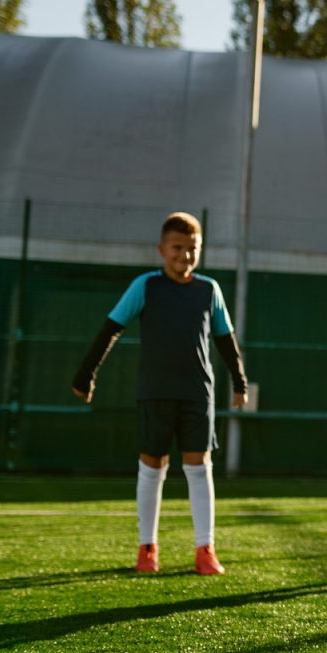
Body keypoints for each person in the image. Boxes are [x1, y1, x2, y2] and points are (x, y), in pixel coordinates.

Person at [72, 212, 248, 575]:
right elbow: (111, 329)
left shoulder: (208, 290)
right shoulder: (145, 286)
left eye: (192, 248)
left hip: (198, 393)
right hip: (155, 392)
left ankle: (205, 549)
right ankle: (147, 548)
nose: (185, 255)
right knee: (153, 465)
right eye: (177, 248)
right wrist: (87, 372)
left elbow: (226, 341)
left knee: (199, 467)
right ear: (162, 249)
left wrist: (239, 382)